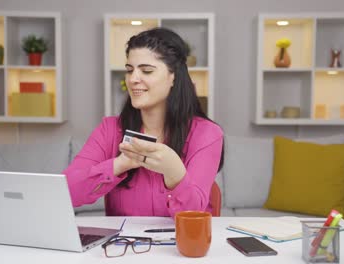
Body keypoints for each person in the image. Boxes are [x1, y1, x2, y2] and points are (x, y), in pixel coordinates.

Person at [64, 27, 224, 217]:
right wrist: (120, 164)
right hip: (124, 245)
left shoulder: (207, 134)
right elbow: (66, 192)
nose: (133, 79)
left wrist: (175, 173)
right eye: (129, 70)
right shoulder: (109, 129)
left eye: (146, 71)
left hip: (180, 244)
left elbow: (193, 216)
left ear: (173, 76)